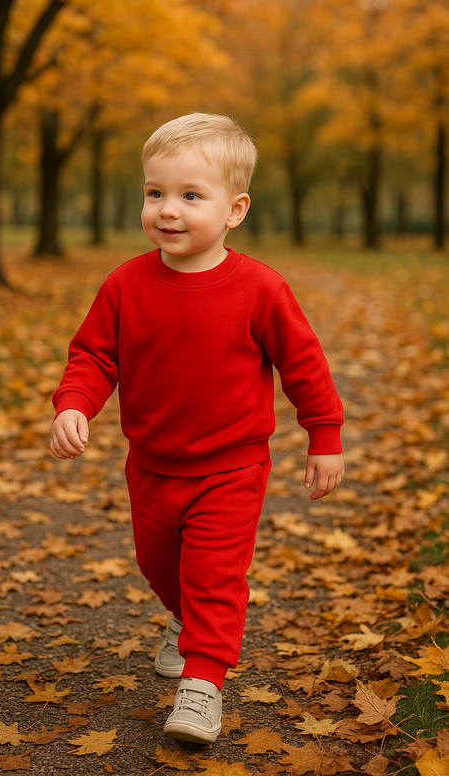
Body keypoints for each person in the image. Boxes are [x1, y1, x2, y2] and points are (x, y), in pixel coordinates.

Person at [50, 113, 344, 745]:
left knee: (212, 576)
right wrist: (74, 403)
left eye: (190, 195)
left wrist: (324, 436)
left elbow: (304, 366)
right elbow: (94, 355)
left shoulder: (260, 288)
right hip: (151, 465)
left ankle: (202, 683)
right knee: (160, 566)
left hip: (231, 467)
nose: (168, 209)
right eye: (155, 192)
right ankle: (185, 619)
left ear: (235, 209)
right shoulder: (126, 284)